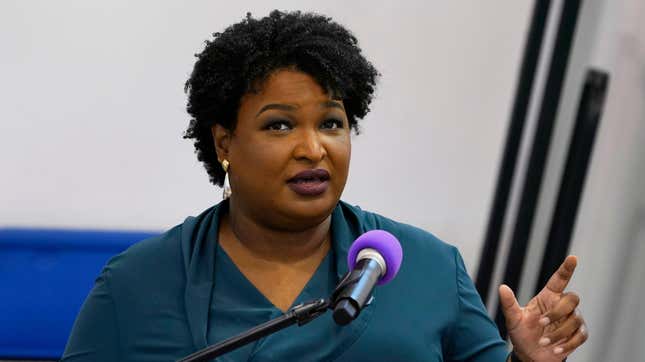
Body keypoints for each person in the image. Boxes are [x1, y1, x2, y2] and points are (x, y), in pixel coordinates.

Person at [61, 10, 587, 361]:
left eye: (331, 123)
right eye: (280, 125)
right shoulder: (135, 285)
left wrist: (525, 359)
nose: (314, 148)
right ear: (224, 143)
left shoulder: (427, 266)